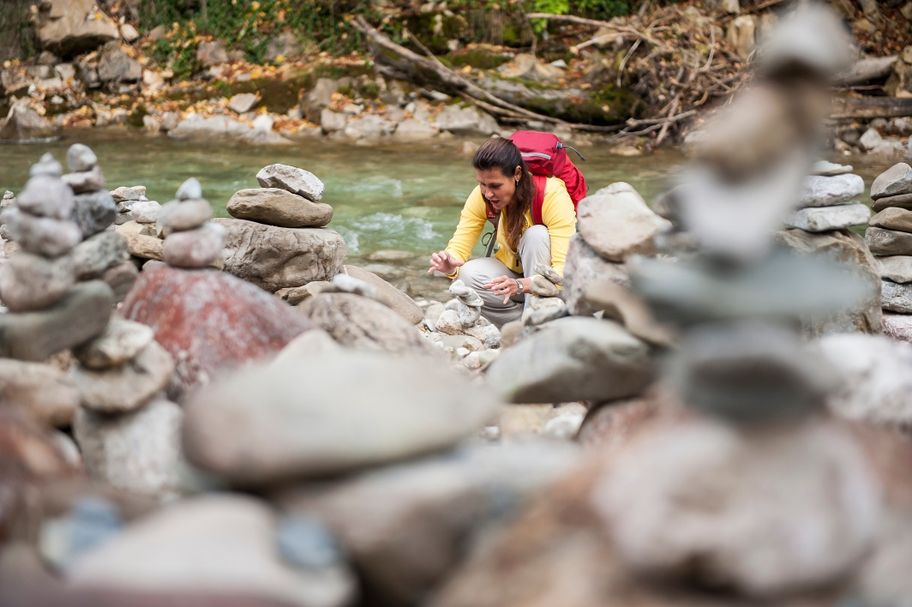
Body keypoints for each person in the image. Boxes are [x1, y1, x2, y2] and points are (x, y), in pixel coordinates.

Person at [427, 137, 577, 326]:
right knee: (467, 273)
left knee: (536, 235)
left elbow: (563, 271)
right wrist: (450, 264)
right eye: (482, 184)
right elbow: (460, 244)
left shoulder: (551, 194)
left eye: (495, 186)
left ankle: (540, 318)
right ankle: (524, 324)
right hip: (514, 281)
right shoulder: (482, 196)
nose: (488, 193)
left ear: (517, 173)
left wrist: (522, 285)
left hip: (554, 287)